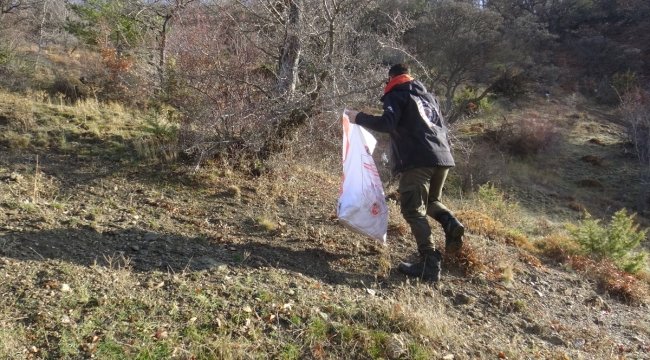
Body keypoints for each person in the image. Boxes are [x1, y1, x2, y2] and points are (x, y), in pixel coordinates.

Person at [345, 63, 464, 281]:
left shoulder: (397, 93)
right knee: (430, 201)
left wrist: (358, 117)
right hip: (443, 157)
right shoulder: (429, 98)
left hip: (417, 160)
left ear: (391, 77)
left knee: (412, 211)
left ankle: (430, 263)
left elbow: (388, 123)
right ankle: (451, 223)